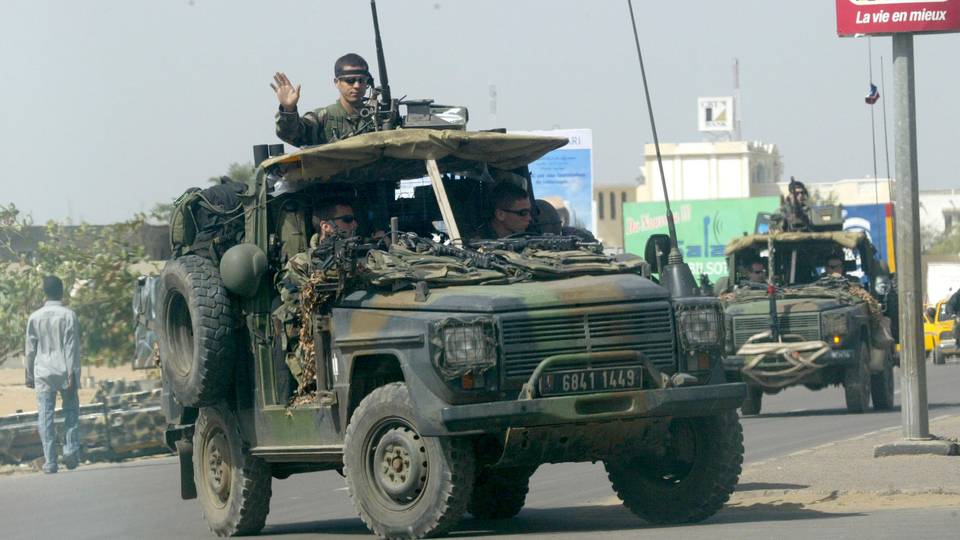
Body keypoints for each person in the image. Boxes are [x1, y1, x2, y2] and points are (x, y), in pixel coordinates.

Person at [25, 275, 81, 474]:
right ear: (62, 291)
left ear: (44, 293)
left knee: (45, 415)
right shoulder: (68, 315)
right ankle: (70, 449)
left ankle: (50, 461)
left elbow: (30, 350)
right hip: (64, 370)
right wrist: (73, 374)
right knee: (71, 411)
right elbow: (71, 349)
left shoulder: (34, 317)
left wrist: (29, 375)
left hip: (42, 372)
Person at [273, 53, 376, 147]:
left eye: (361, 80)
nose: (357, 86)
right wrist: (288, 110)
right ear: (337, 82)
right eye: (350, 80)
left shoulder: (377, 118)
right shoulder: (322, 117)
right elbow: (291, 135)